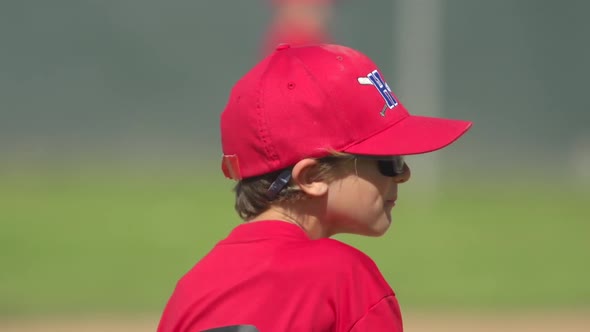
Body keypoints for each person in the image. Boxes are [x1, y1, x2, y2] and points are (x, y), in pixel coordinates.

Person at [157, 43, 472, 332]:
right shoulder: (346, 280)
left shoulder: (192, 290)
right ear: (311, 178)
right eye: (387, 160)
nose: (403, 175)